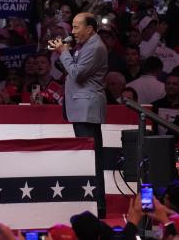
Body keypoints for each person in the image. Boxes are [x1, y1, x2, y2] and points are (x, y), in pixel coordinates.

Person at [49, 12, 108, 217]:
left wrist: (64, 52)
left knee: (93, 159)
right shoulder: (87, 46)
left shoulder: (96, 47)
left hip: (87, 109)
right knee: (88, 158)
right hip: (82, 108)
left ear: (90, 29)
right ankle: (93, 204)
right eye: (72, 27)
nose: (72, 32)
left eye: (76, 27)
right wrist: (68, 52)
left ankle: (98, 207)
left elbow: (77, 74)